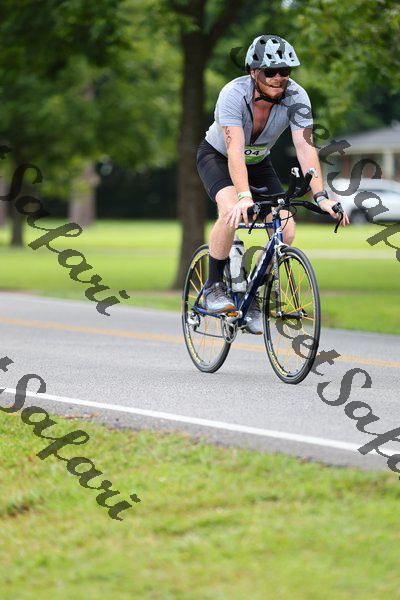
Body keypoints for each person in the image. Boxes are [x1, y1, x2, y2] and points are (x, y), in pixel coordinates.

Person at [196, 34, 349, 334]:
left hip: (259, 161)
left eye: (285, 71)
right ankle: (214, 286)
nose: (279, 78)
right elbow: (235, 150)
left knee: (285, 229)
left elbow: (305, 148)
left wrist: (321, 196)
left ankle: (253, 293)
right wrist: (243, 196)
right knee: (231, 210)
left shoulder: (297, 97)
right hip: (219, 156)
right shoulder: (233, 94)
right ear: (254, 72)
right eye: (271, 72)